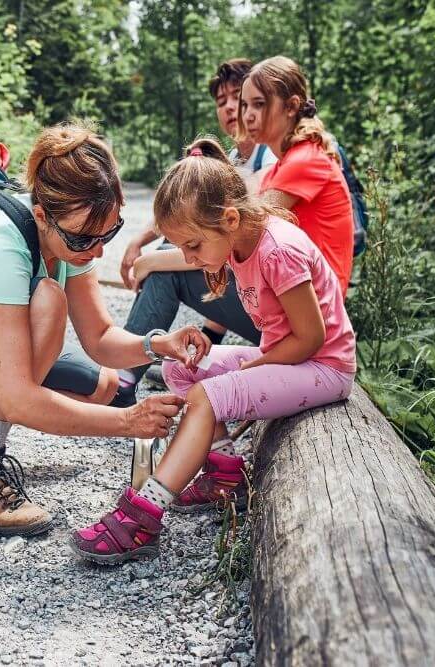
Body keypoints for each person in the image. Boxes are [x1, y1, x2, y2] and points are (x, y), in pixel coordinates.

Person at [0, 120, 211, 538]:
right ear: (41, 215)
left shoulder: (73, 233)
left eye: (110, 231)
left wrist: (159, 344)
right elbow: (17, 399)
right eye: (86, 239)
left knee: (103, 387)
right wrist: (128, 422)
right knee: (48, 302)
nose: (98, 250)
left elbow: (101, 338)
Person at [70, 137, 356, 564]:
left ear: (230, 217)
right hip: (291, 357)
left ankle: (142, 515)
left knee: (208, 394)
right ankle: (225, 473)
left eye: (193, 245)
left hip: (323, 368)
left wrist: (251, 368)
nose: (187, 256)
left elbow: (311, 338)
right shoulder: (237, 241)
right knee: (182, 367)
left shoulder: (278, 250)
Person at [115, 59, 277, 403]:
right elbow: (193, 221)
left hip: (290, 307)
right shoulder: (234, 158)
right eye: (223, 102)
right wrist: (140, 241)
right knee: (173, 245)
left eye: (241, 98)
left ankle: (123, 379)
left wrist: (152, 261)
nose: (233, 107)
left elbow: (239, 244)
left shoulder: (271, 160)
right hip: (261, 294)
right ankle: (133, 368)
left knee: (164, 269)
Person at [240, 55, 354, 296]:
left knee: (169, 276)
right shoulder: (285, 163)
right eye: (245, 105)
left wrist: (155, 261)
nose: (248, 115)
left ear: (291, 107)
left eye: (259, 104)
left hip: (317, 307)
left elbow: (242, 234)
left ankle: (146, 335)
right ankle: (199, 335)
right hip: (296, 294)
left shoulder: (304, 160)